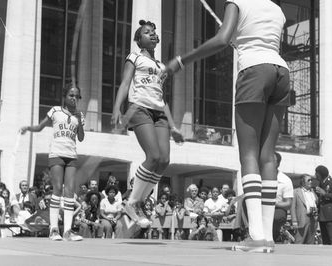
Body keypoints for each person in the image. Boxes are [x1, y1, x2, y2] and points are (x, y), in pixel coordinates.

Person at [164, 0, 290, 253]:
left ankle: (255, 236)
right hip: (281, 72)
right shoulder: (278, 10)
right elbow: (263, 40)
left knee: (249, 154)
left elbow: (222, 39)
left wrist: (180, 60)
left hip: (254, 70)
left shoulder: (237, 2)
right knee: (268, 157)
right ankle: (267, 237)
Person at [111, 20, 183, 227]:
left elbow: (163, 98)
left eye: (154, 32)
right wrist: (117, 108)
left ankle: (139, 202)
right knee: (153, 156)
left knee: (164, 160)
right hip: (139, 108)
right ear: (138, 39)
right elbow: (125, 83)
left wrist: (173, 126)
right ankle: (132, 202)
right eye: (146, 32)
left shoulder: (161, 66)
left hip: (159, 112)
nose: (152, 34)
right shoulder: (133, 57)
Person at [20, 85, 85, 241]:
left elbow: (81, 138)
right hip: (57, 154)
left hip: (71, 155)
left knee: (69, 192)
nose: (74, 98)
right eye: (71, 95)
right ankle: (53, 230)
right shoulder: (55, 111)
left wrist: (80, 120)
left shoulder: (79, 115)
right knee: (57, 189)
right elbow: (41, 126)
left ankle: (68, 231)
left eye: (77, 96)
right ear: (65, 96)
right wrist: (28, 128)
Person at [314, 165, 332, 245]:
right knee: (325, 240)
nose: (315, 175)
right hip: (322, 216)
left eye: (316, 173)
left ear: (321, 174)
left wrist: (325, 194)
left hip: (330, 216)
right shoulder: (320, 183)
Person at [272, 152, 293, 243]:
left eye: (272, 161)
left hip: (277, 208)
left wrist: (274, 203)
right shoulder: (259, 176)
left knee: (277, 216)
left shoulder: (285, 180)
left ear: (278, 164)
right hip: (260, 207)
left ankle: (274, 236)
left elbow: (288, 204)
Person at [291, 174, 318, 244]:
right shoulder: (296, 191)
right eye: (309, 180)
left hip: (313, 219)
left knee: (310, 243)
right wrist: (294, 221)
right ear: (303, 182)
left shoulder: (313, 192)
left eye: (311, 180)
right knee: (299, 242)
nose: (311, 182)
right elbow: (292, 207)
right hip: (302, 219)